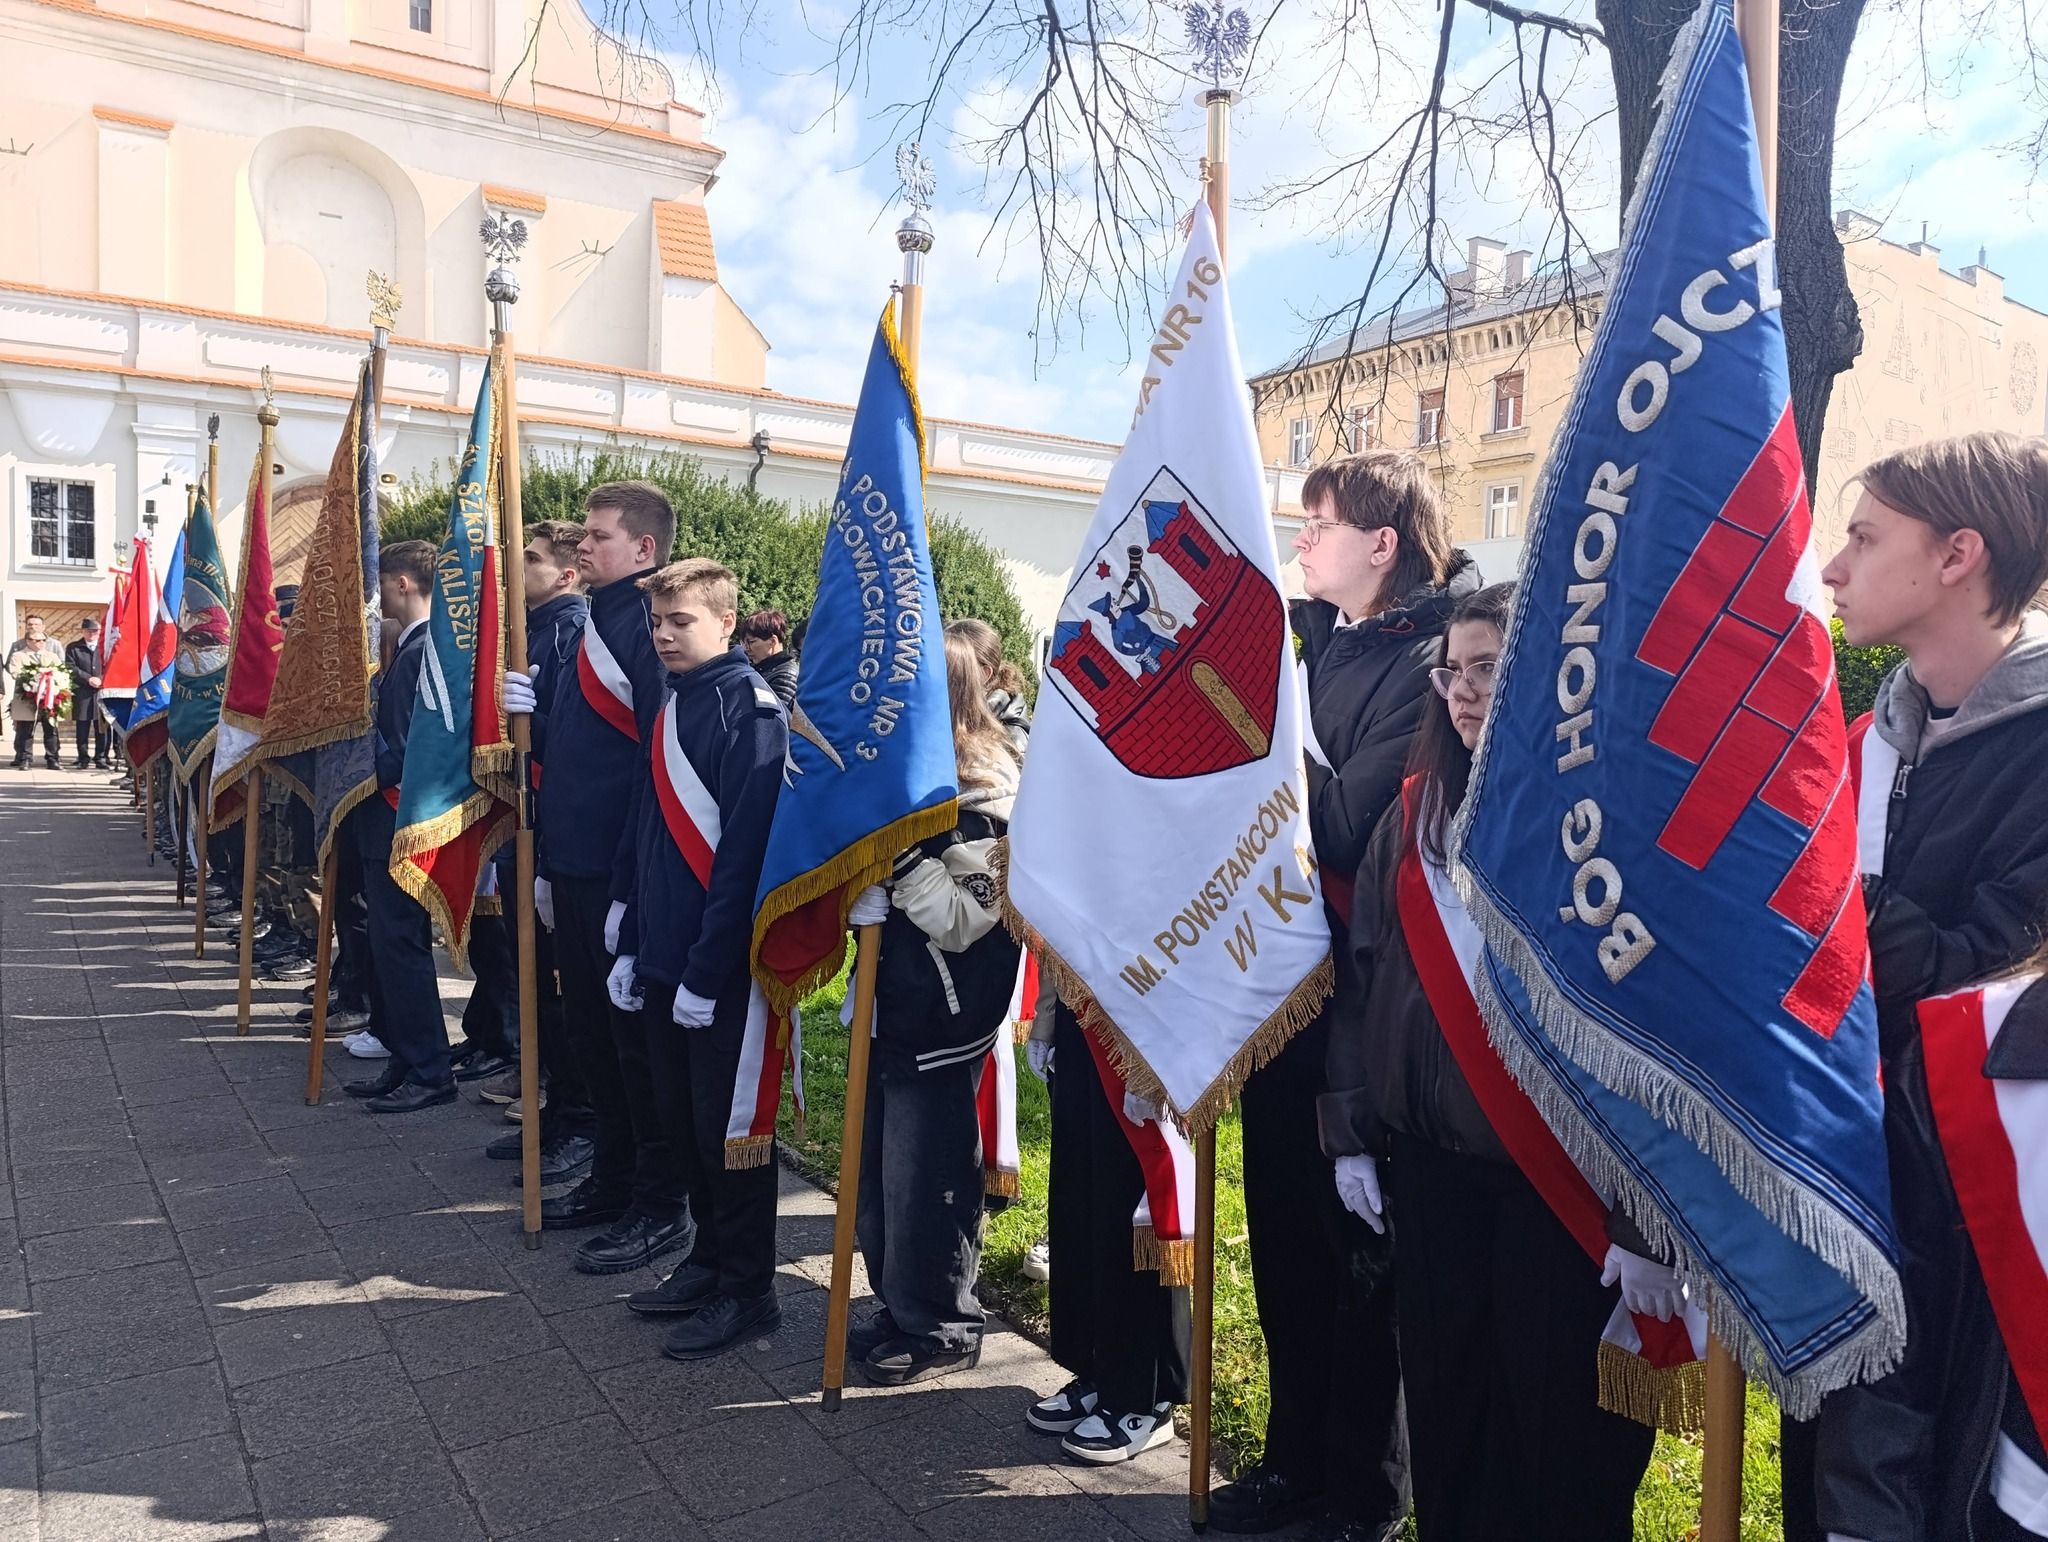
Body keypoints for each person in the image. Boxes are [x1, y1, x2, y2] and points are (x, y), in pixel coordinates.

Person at [1319, 581, 1665, 1540]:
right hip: (1431, 1174)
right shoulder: (1416, 815)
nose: (1463, 692)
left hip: (1555, 1192)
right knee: (1449, 1418)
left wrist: (1647, 1221)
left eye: (1488, 669)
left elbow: (1652, 1039)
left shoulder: (1603, 827)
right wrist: (1351, 1130)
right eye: (1452, 671)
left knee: (1557, 1445)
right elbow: (1364, 979)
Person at [1214, 451, 1474, 1540]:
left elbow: (1337, 828)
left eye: (1316, 523)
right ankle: (1291, 1460)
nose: (1300, 540)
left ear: (1382, 544)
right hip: (1282, 980)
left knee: (1352, 1254)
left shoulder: (1430, 660)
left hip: (1362, 1003)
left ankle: (1358, 1486)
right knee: (1282, 1235)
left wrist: (1239, 769)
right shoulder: (1315, 640)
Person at [1802, 431, 2048, 1542]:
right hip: (1850, 1188)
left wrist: (1813, 900)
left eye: (1861, 538)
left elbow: (1986, 983)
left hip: (1973, 1232)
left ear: (1957, 555)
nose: (1832, 568)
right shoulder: (1864, 741)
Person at [601, 558, 787, 1359]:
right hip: (668, 962)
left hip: (727, 972)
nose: (665, 635)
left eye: (680, 621)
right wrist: (631, 933)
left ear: (724, 622)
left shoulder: (752, 713)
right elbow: (649, 831)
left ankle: (750, 1289)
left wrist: (709, 973)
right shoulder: (677, 703)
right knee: (683, 1123)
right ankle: (708, 1260)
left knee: (732, 1134)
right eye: (656, 623)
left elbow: (742, 860)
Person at [843, 631, 1023, 1385]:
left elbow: (966, 918)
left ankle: (945, 1324)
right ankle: (900, 1302)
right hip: (890, 1009)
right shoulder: (895, 784)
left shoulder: (987, 793)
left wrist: (904, 865)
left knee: (927, 1181)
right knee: (878, 1183)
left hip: (942, 1019)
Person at [530, 483, 689, 1276]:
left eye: (598, 535)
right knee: (594, 1038)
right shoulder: (598, 618)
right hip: (578, 863)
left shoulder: (645, 629)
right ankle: (615, 1179)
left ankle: (659, 1206)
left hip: (620, 873)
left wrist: (627, 889)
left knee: (635, 1051)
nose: (582, 546)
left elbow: (649, 773)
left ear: (645, 550)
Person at [1026, 995, 1191, 1463]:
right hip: (1084, 1006)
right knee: (1082, 1194)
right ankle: (1099, 1369)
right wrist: (1051, 1013)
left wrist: (1162, 1054)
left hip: (1143, 1011)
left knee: (1130, 1200)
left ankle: (1146, 1393)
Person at [483, 520, 595, 1184]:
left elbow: (579, 744)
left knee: (560, 995)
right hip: (536, 831)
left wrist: (533, 721)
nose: (518, 568)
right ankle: (555, 1109)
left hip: (559, 832)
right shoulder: (536, 629)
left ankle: (576, 1122)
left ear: (566, 574)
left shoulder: (569, 632)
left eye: (531, 558)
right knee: (542, 987)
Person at [343, 539, 457, 1114]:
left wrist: (352, 770)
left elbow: (410, 746)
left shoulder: (421, 653)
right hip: (385, 816)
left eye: (380, 585)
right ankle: (405, 1055)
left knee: (401, 945)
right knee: (389, 946)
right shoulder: (414, 648)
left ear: (402, 584)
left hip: (397, 817)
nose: (376, 598)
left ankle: (430, 1067)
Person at [945, 616, 1030, 751]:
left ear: (985, 674)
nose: (944, 674)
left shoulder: (1011, 739)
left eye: (954, 665)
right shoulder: (960, 716)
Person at [7, 615, 66, 770]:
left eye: (42, 640)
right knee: (25, 730)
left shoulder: (52, 656)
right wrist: (34, 679)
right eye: (36, 640)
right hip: (26, 699)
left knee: (51, 730)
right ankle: (25, 758)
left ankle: (53, 758)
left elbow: (61, 672)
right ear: (28, 642)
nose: (40, 643)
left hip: (48, 699)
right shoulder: (18, 655)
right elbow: (14, 672)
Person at [65, 619, 109, 769]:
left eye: (95, 631)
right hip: (82, 692)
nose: (91, 634)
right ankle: (83, 758)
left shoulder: (105, 646)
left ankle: (101, 757)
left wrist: (101, 679)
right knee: (82, 727)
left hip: (101, 691)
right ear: (82, 631)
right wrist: (88, 678)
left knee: (101, 727)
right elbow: (71, 667)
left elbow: (110, 665)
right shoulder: (74, 648)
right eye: (88, 631)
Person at [738, 608, 800, 707]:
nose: (746, 649)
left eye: (751, 642)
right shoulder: (761, 668)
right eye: (743, 643)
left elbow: (773, 718)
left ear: (772, 641)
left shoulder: (786, 675)